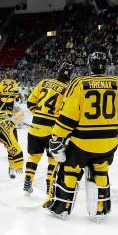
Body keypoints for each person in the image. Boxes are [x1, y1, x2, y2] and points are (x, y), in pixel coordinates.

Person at [46, 51, 118, 220]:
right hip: (108, 142)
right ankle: (100, 210)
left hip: (82, 141)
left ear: (90, 65)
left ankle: (62, 208)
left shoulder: (80, 83)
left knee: (69, 171)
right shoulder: (116, 83)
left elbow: (68, 116)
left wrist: (56, 138)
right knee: (101, 171)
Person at [24, 63, 72, 196]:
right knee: (53, 159)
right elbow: (66, 112)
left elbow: (30, 103)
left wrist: (39, 116)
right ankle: (49, 187)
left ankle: (28, 179)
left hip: (35, 127)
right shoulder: (67, 89)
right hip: (52, 129)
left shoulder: (44, 82)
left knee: (34, 156)